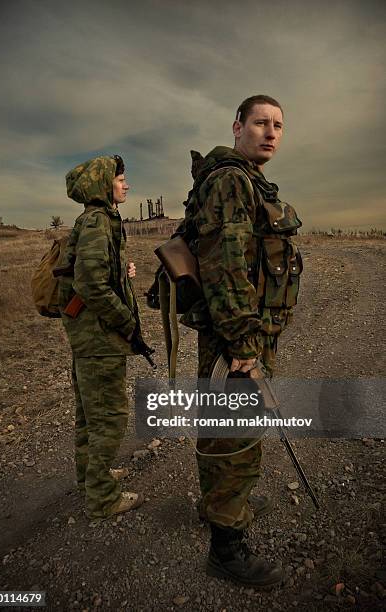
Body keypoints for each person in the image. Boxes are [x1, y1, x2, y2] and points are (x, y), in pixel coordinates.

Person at [187, 95, 302, 586]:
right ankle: (226, 549)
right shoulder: (233, 180)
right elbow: (224, 265)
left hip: (240, 333)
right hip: (236, 338)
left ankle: (220, 506)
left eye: (278, 125)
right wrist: (242, 347)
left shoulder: (246, 180)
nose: (270, 132)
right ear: (238, 127)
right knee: (236, 437)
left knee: (225, 430)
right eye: (260, 123)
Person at [58, 155, 145, 520]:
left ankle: (90, 478)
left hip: (91, 339)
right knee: (108, 416)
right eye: (121, 179)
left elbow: (96, 271)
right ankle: (102, 497)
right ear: (102, 184)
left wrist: (123, 271)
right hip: (98, 340)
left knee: (89, 415)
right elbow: (90, 285)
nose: (126, 185)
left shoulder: (97, 221)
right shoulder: (97, 221)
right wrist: (127, 322)